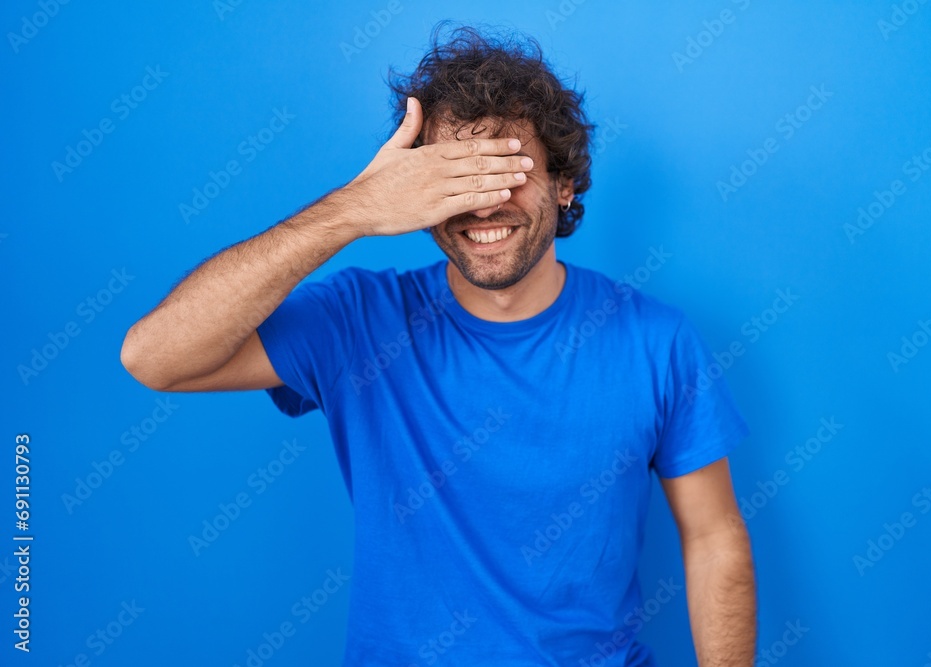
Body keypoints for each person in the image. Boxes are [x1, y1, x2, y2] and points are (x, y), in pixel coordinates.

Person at [121, 23, 756, 667]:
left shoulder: (656, 341)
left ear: (564, 184)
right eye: (454, 178)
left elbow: (713, 535)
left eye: (506, 169)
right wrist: (352, 210)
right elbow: (154, 357)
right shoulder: (356, 321)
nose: (483, 204)